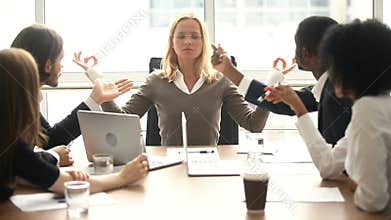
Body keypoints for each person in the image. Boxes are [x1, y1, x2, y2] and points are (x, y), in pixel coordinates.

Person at [75, 12, 269, 146]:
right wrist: (98, 81)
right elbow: (122, 121)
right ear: (172, 42)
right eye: (181, 36)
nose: (187, 41)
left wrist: (271, 89)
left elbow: (253, 125)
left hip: (210, 166)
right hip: (168, 166)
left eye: (195, 36)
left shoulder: (221, 80)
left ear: (204, 42)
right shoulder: (155, 81)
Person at [266, 19, 391, 212]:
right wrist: (299, 108)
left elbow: (372, 201)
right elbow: (329, 166)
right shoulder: (376, 105)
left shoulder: (368, 110)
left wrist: (357, 186)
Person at [0, 48, 148, 202]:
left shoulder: (8, 144)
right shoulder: (12, 146)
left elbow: (21, 172)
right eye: (34, 86)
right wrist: (123, 177)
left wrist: (48, 171)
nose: (39, 98)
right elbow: (65, 184)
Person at [212, 16, 353, 146]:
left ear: (305, 52)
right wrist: (228, 70)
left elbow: (334, 164)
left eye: (296, 44)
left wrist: (229, 70)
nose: (294, 51)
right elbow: (282, 103)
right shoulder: (332, 87)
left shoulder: (337, 96)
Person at [11, 24, 133, 166]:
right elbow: (15, 161)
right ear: (48, 65)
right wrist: (52, 156)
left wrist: (94, 100)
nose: (62, 66)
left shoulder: (19, 93)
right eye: (60, 59)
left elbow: (49, 140)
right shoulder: (13, 99)